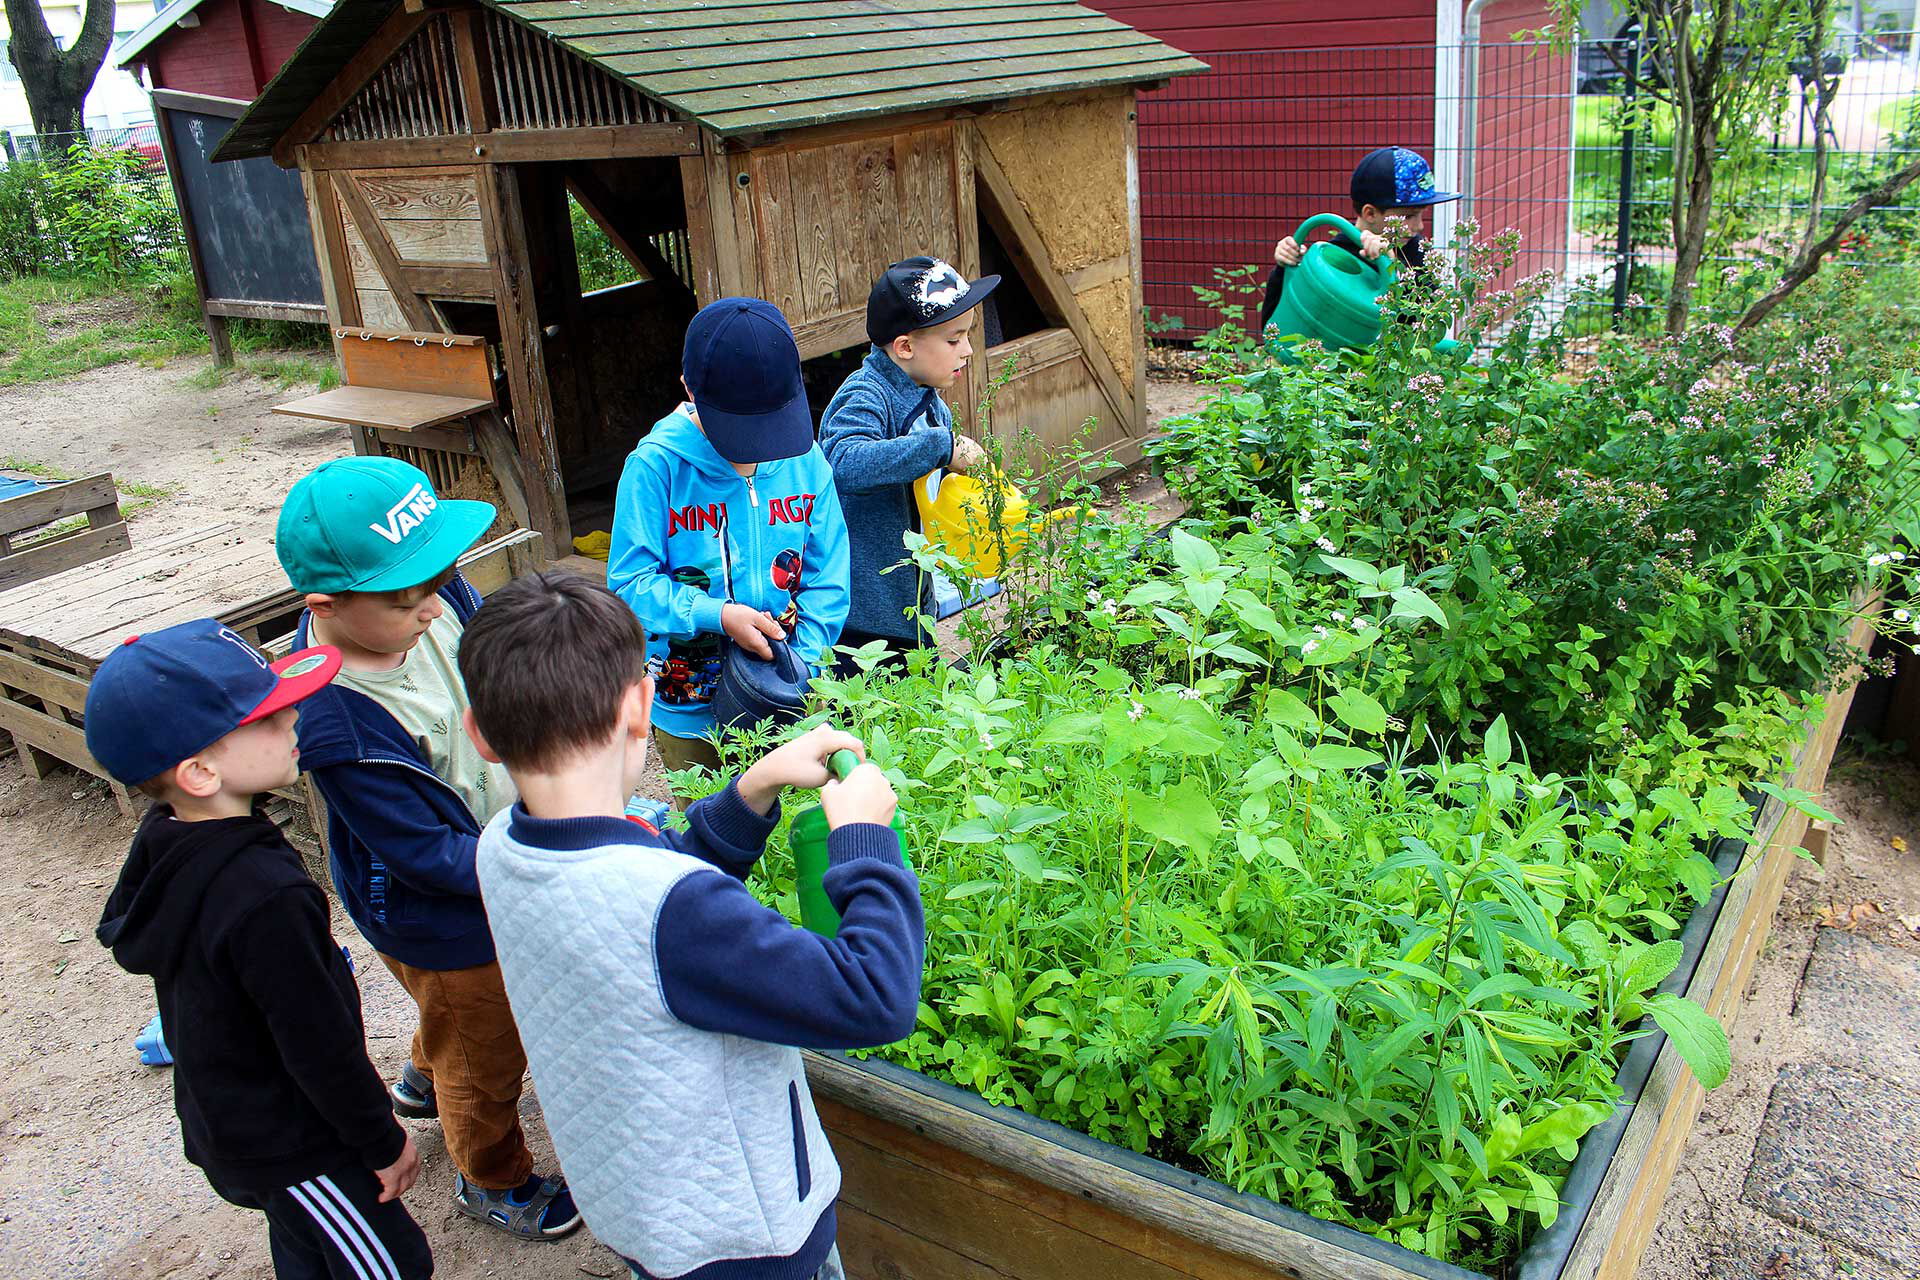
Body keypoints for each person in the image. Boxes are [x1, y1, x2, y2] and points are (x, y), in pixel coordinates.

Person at [459, 570, 924, 1280]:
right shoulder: (676, 911)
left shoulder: (502, 846)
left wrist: (752, 788)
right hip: (746, 1239)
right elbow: (875, 996)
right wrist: (863, 838)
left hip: (642, 1205)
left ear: (481, 735)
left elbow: (631, 889)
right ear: (643, 706)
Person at [275, 456, 581, 1243]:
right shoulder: (333, 715)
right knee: (486, 1050)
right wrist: (540, 855)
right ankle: (493, 1176)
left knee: (453, 1017)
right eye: (407, 597)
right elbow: (423, 855)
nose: (433, 603)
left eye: (441, 578)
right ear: (327, 606)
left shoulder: (431, 597)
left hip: (490, 847)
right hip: (438, 911)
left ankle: (419, 1073)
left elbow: (488, 654)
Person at [90, 619, 434, 1280]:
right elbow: (318, 1045)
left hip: (232, 1119)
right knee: (391, 1262)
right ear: (198, 771)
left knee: (307, 1248)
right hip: (301, 1144)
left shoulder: (169, 845)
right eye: (268, 719)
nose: (293, 718)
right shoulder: (264, 897)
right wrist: (381, 1140)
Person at [606, 297, 850, 781]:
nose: (755, 450)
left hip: (785, 689)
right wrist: (714, 615)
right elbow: (630, 584)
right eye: (739, 431)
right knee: (708, 828)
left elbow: (829, 575)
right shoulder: (656, 468)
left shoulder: (806, 461)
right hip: (688, 703)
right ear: (688, 389)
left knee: (785, 827)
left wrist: (805, 667)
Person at [819, 257, 999, 669]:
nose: (968, 350)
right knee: (870, 720)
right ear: (904, 347)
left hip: (914, 603)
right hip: (864, 615)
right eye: (954, 340)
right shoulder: (866, 394)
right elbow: (845, 462)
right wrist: (940, 447)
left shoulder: (928, 399)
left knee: (918, 712)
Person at [1258, 146, 1462, 331]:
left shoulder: (1416, 252)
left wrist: (1393, 266)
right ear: (1370, 213)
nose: (1419, 226)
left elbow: (1425, 330)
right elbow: (1275, 328)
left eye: (1421, 214)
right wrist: (1285, 269)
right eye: (1409, 216)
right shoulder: (1335, 259)